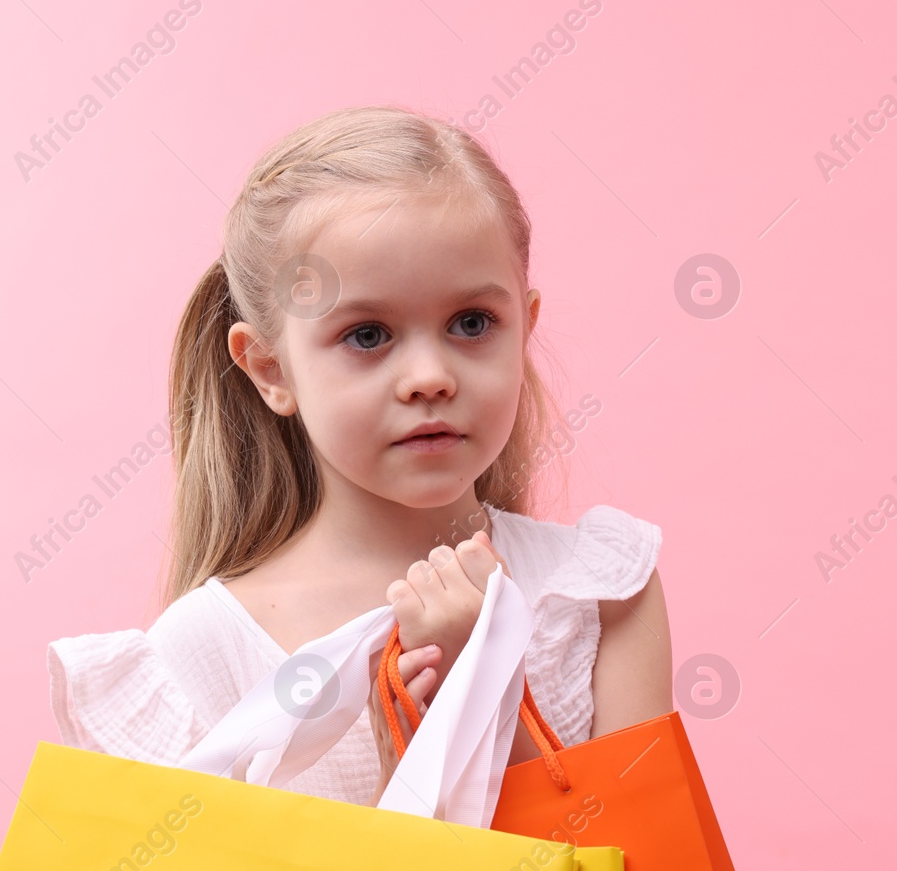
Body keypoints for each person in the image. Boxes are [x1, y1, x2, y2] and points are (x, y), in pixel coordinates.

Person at [48, 104, 671, 806]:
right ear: (269, 369)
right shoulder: (201, 654)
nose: (429, 375)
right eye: (368, 335)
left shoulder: (595, 594)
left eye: (472, 323)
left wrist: (488, 690)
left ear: (524, 326)